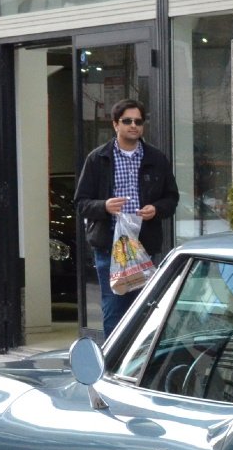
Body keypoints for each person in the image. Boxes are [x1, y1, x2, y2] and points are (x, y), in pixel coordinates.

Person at [75, 98, 179, 336]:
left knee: (145, 306)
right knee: (114, 307)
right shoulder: (97, 159)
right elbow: (81, 203)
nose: (134, 125)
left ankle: (138, 362)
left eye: (139, 121)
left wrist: (156, 209)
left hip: (144, 246)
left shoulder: (156, 159)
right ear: (115, 124)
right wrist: (104, 206)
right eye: (127, 121)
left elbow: (171, 198)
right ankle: (113, 361)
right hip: (110, 247)